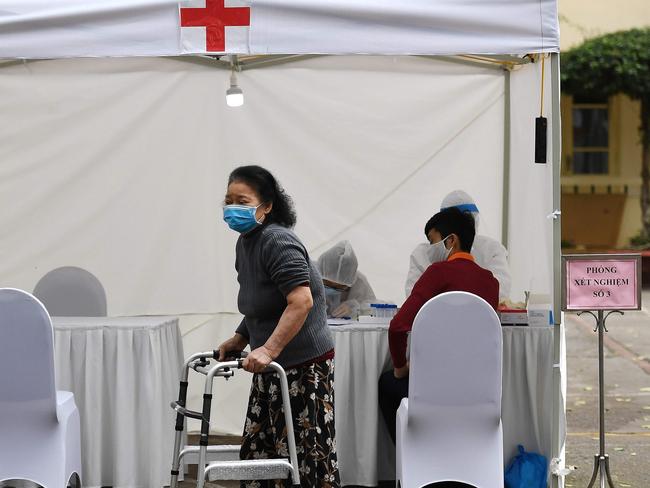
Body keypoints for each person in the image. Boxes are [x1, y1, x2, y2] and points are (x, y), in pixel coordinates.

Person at [217, 165, 340, 488]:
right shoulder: (246, 242)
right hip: (271, 363)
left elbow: (300, 301)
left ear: (267, 206)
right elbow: (261, 301)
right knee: (262, 452)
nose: (232, 207)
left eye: (241, 200)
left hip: (302, 366)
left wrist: (269, 348)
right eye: (228, 200)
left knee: (306, 456)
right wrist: (240, 337)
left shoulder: (277, 241)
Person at [379, 207, 499, 443]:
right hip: (477, 390)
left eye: (432, 242)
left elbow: (398, 326)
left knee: (387, 383)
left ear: (451, 240)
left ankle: (412, 453)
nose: (429, 250)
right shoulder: (490, 282)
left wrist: (401, 367)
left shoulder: (437, 273)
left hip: (434, 389)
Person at [404, 190, 511, 301]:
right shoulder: (422, 255)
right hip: (460, 316)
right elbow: (413, 297)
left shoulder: (492, 249)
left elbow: (501, 293)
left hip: (457, 316)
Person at [317, 240, 376, 318]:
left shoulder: (359, 282)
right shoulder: (309, 275)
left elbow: (375, 306)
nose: (333, 290)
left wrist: (356, 308)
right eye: (328, 284)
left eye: (340, 287)